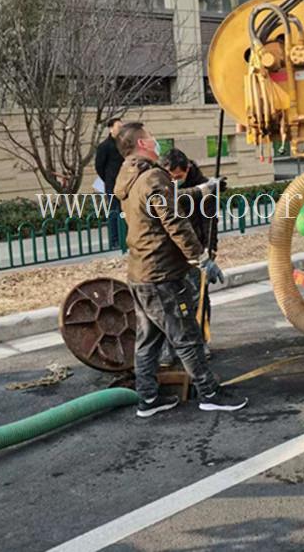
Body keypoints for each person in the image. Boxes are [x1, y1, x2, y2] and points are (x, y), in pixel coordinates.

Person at [114, 122, 248, 417]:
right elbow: (174, 221)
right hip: (162, 275)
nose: (154, 139)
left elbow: (164, 202)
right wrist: (201, 259)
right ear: (142, 143)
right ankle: (209, 393)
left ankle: (147, 399)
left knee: (148, 341)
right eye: (150, 136)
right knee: (187, 337)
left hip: (139, 273)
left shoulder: (128, 176)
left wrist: (201, 190)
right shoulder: (151, 176)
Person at [159, 148, 225, 364]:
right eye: (171, 177)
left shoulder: (205, 187)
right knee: (171, 302)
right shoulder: (161, 185)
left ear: (187, 169)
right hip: (171, 252)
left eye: (179, 177)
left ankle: (202, 341)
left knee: (199, 298)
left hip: (196, 249)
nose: (175, 181)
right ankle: (172, 346)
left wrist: (210, 249)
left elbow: (210, 220)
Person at [95, 118, 124, 246]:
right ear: (111, 128)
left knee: (126, 210)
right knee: (114, 211)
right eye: (118, 127)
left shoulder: (124, 144)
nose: (121, 129)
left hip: (125, 182)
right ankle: (115, 239)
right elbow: (99, 166)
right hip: (112, 183)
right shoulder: (104, 146)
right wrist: (108, 178)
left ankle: (126, 237)